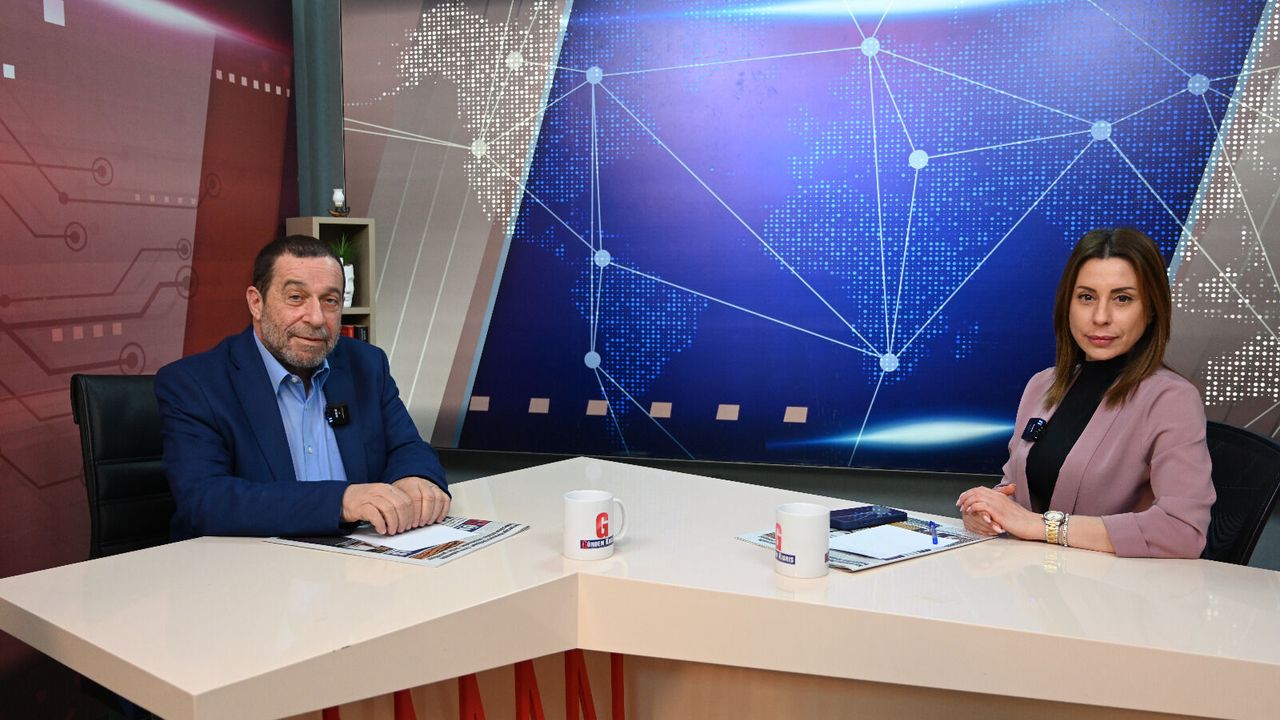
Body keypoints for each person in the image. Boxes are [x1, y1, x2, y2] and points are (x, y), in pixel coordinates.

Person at [155, 235, 449, 540]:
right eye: (296, 297)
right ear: (256, 303)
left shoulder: (366, 365)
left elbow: (407, 447)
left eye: (330, 301)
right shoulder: (195, 384)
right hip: (255, 562)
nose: (316, 318)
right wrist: (341, 502)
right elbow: (206, 501)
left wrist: (414, 478)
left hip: (363, 558)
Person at [956, 228, 1214, 558]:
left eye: (1122, 299)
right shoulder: (1042, 385)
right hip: (1030, 576)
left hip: (1113, 587)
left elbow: (1183, 531)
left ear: (1151, 310)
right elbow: (1016, 491)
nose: (1100, 317)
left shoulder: (1172, 400)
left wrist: (1041, 526)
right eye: (1087, 297)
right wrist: (989, 510)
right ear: (1068, 304)